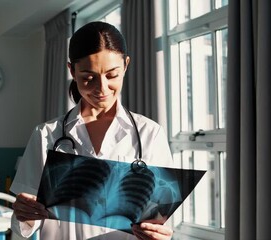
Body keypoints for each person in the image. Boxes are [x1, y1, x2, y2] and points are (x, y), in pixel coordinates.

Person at [10, 21, 174, 240]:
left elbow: (162, 220)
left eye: (112, 75)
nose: (101, 88)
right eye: (88, 77)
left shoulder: (150, 134)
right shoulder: (46, 135)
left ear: (125, 65)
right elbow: (22, 226)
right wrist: (25, 214)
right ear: (72, 70)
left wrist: (160, 235)